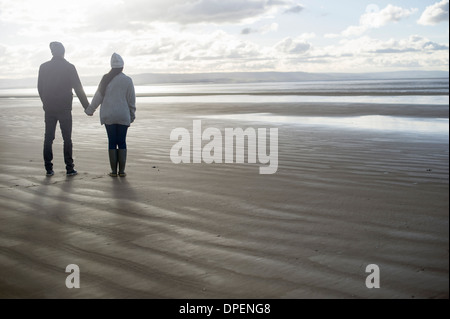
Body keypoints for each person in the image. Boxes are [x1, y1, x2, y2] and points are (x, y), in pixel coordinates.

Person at [38, 41, 90, 177]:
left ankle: (48, 169)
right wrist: (87, 107)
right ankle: (69, 168)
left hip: (49, 108)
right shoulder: (69, 67)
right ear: (63, 52)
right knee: (67, 138)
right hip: (64, 108)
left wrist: (45, 102)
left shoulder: (44, 67)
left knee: (48, 138)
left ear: (52, 52)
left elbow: (40, 88)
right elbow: (78, 88)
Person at [85, 53, 136, 177]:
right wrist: (132, 114)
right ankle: (122, 171)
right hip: (123, 115)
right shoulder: (128, 80)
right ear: (122, 66)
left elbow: (98, 96)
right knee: (122, 141)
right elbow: (131, 100)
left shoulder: (105, 79)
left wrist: (90, 109)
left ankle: (113, 171)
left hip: (109, 115)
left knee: (112, 141)